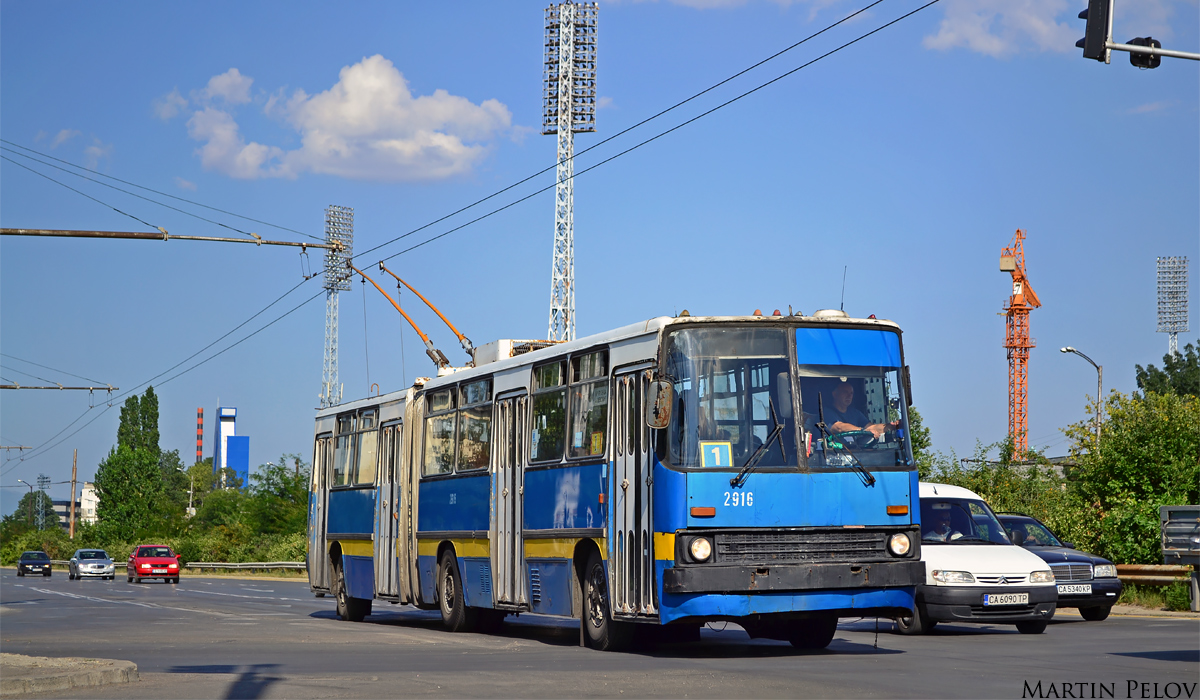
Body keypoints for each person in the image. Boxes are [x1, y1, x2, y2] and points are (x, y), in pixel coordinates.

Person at [825, 380, 895, 438]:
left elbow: (871, 427)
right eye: (845, 392)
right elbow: (839, 427)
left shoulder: (855, 413)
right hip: (833, 450)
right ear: (835, 394)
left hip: (854, 450)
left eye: (851, 393)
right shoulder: (826, 412)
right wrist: (862, 431)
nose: (849, 396)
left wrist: (892, 426)